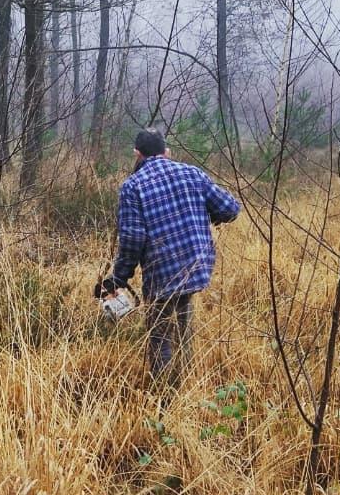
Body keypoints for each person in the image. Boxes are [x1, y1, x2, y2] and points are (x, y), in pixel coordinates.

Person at [99, 128, 240, 386]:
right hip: (195, 266)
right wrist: (205, 216)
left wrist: (118, 278)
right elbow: (230, 209)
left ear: (137, 154)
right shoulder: (193, 174)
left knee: (161, 336)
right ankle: (185, 386)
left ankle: (165, 394)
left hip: (161, 273)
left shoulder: (132, 186)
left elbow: (132, 240)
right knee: (182, 326)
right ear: (167, 152)